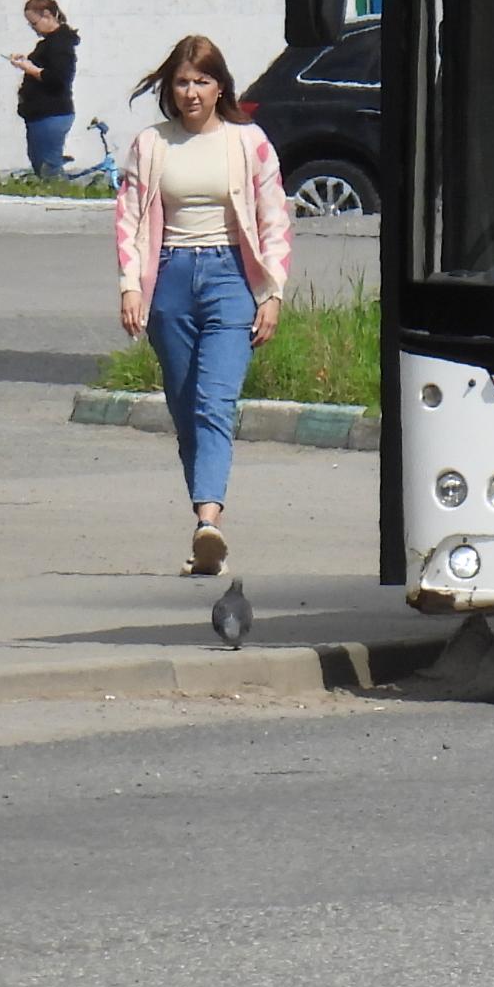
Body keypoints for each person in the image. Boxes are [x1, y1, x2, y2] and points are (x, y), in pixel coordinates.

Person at [113, 34, 292, 579]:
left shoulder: (249, 142)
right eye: (183, 82)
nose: (192, 93)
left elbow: (274, 219)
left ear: (220, 88)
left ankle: (207, 522)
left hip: (230, 279)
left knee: (215, 402)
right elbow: (129, 219)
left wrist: (273, 293)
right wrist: (130, 286)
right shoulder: (151, 144)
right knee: (186, 405)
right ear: (170, 88)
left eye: (202, 82)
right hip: (169, 278)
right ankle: (204, 528)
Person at [4, 0, 78, 177]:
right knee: (40, 165)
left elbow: (58, 78)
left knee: (48, 168)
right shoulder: (49, 43)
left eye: (34, 23)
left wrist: (30, 69)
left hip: (51, 114)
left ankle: (59, 198)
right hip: (40, 114)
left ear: (47, 14)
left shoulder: (60, 43)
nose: (33, 28)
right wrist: (26, 62)